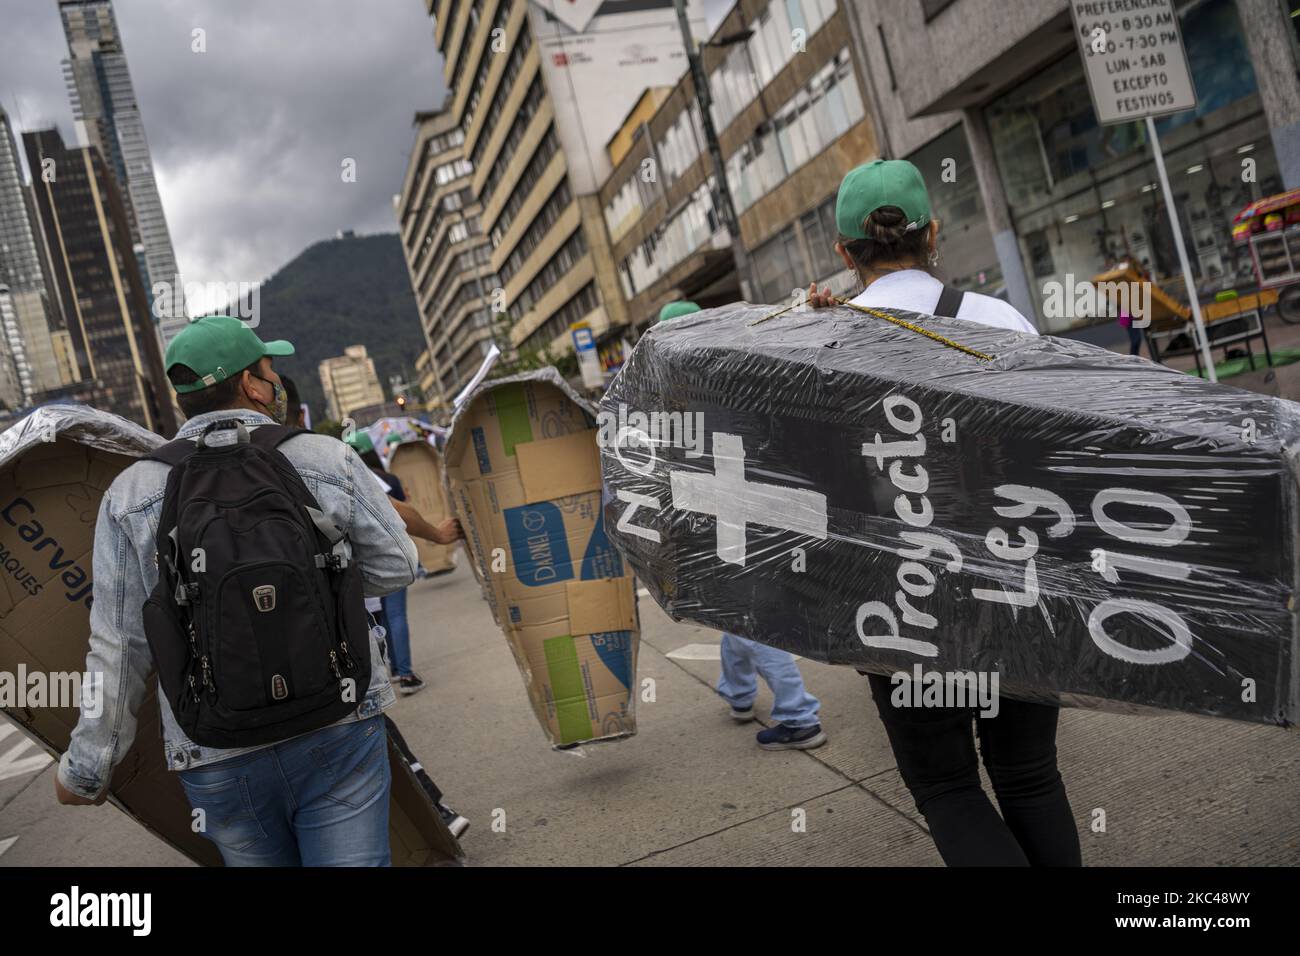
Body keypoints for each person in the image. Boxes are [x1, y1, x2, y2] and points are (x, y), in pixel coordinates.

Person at [54, 314, 461, 866]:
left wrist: (87, 768)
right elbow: (397, 566)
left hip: (215, 752)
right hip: (336, 723)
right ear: (250, 384)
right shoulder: (322, 457)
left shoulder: (130, 494)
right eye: (270, 372)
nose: (274, 385)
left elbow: (121, 645)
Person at [809, 160, 1081, 866]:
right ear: (932, 233)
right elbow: (1058, 444)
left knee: (949, 787)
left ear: (844, 254)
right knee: (1028, 775)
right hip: (1012, 584)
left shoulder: (817, 349)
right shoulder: (999, 320)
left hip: (898, 603)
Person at [659, 300, 828, 751]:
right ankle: (737, 693)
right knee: (738, 609)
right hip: (755, 511)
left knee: (750, 614)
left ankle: (798, 714)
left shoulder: (682, 392)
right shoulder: (738, 374)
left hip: (729, 516)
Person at [344, 430, 423, 697]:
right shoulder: (388, 480)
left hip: (359, 560)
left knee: (377, 617)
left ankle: (389, 669)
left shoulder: (344, 479)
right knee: (397, 614)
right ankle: (407, 673)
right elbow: (406, 512)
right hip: (390, 555)